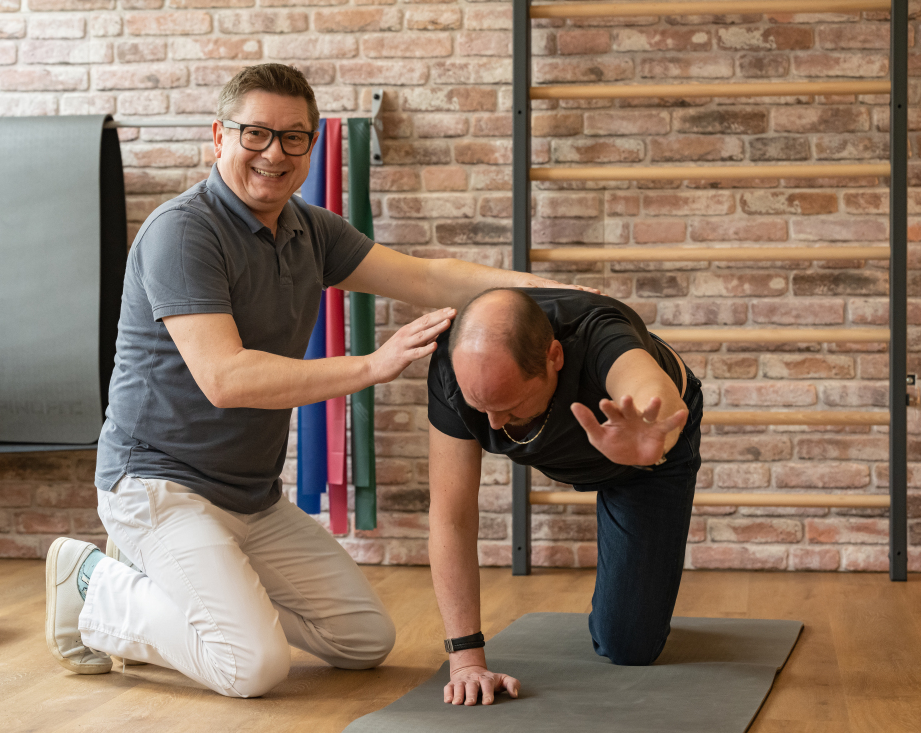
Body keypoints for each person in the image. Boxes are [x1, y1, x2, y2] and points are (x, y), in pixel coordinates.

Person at [44, 64, 592, 698]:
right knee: (251, 666)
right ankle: (91, 579)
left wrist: (553, 293)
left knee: (363, 641)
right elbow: (226, 378)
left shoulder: (309, 229)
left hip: (250, 496)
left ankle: (170, 590)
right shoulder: (183, 232)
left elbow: (427, 279)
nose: (274, 153)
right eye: (255, 134)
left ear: (311, 144)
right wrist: (372, 365)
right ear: (218, 137)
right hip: (158, 485)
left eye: (293, 137)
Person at [426, 287, 703, 706]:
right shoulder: (454, 368)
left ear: (555, 357)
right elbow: (452, 516)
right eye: (480, 407)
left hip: (646, 452)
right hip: (595, 448)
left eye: (511, 405)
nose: (495, 424)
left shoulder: (597, 334)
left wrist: (650, 436)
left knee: (630, 648)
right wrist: (466, 660)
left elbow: (650, 389)